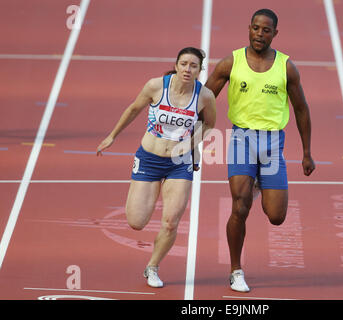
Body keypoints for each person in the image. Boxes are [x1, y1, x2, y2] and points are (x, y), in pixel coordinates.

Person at [205, 9, 315, 292]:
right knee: (240, 206)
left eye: (266, 30)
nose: (259, 34)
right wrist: (191, 138)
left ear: (274, 34)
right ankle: (236, 270)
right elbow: (206, 99)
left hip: (272, 143)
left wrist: (306, 152)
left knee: (276, 216)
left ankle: (257, 184)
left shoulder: (286, 67)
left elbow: (301, 109)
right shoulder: (231, 62)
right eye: (256, 28)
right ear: (249, 29)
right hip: (241, 139)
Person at [96, 47, 216, 288]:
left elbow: (209, 125)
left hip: (179, 164)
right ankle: (141, 196)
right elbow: (133, 109)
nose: (187, 69)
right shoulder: (155, 86)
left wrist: (190, 145)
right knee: (136, 222)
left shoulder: (205, 96)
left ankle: (152, 267)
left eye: (193, 66)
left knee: (171, 221)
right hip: (149, 159)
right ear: (176, 64)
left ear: (199, 71)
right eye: (183, 64)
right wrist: (112, 136)